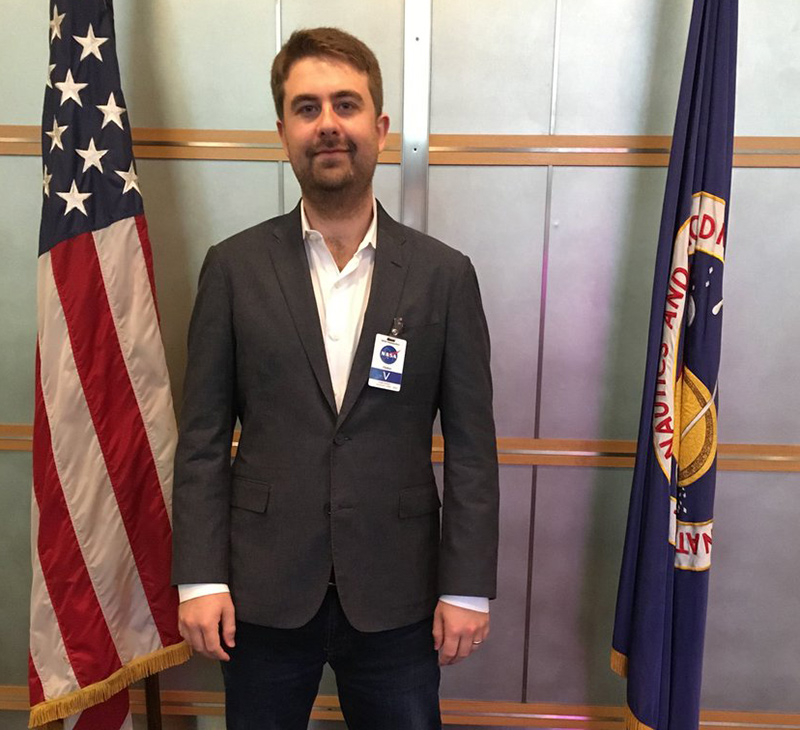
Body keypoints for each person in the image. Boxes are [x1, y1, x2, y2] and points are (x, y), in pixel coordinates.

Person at [172, 27, 499, 730]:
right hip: (260, 594)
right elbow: (201, 440)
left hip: (399, 596)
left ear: (379, 128)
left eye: (346, 105)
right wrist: (200, 578)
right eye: (307, 107)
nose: (328, 125)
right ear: (284, 130)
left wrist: (468, 588)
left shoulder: (444, 276)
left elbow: (472, 447)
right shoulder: (232, 269)